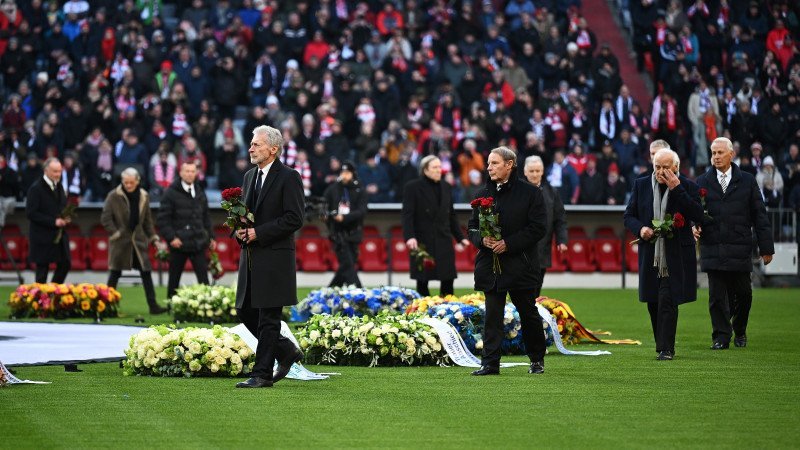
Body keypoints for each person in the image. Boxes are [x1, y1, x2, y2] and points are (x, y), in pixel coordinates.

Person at [234, 125, 304, 389]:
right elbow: (244, 215)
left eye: (256, 144)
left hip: (275, 258)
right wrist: (238, 230)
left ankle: (262, 374)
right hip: (251, 257)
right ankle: (285, 351)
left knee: (269, 317)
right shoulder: (249, 176)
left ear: (273, 149)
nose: (250, 148)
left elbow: (294, 218)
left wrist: (258, 232)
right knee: (244, 311)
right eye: (251, 144)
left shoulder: (289, 177)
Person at [468, 147, 547, 376]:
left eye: (494, 163)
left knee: (528, 313)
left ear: (509, 164)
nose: (489, 168)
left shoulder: (531, 193)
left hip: (520, 265)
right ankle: (490, 363)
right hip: (490, 265)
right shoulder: (482, 193)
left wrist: (509, 244)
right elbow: (471, 227)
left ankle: (536, 359)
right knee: (492, 315)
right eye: (488, 164)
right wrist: (482, 239)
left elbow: (538, 228)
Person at [694, 137, 774, 350]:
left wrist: (766, 248)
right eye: (713, 153)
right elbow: (694, 210)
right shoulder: (701, 181)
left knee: (745, 295)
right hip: (713, 245)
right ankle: (721, 336)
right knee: (716, 297)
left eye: (720, 153)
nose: (716, 157)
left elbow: (760, 215)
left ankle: (739, 329)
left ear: (731, 154)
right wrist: (694, 225)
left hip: (739, 246)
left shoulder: (747, 180)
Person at [624, 148, 704, 360]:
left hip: (675, 254)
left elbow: (697, 214)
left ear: (675, 168)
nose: (660, 171)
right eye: (657, 167)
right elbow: (629, 215)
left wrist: (677, 188)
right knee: (653, 301)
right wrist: (640, 229)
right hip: (650, 251)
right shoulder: (641, 185)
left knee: (668, 298)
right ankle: (662, 343)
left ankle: (666, 349)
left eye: (665, 167)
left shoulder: (688, 187)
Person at [101, 168, 168, 314]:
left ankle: (153, 306)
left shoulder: (144, 196)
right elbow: (105, 218)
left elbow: (148, 222)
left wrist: (154, 239)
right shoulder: (113, 196)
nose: (128, 185)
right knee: (115, 273)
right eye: (126, 182)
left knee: (146, 272)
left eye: (131, 182)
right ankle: (106, 306)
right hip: (120, 242)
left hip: (138, 242)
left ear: (137, 181)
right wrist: (116, 233)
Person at [402, 155, 470, 297]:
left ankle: (448, 310)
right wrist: (409, 237)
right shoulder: (412, 187)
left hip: (443, 239)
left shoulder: (446, 186)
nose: (439, 170)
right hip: (422, 241)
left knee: (447, 278)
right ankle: (422, 311)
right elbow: (407, 216)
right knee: (422, 280)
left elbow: (451, 215)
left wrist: (460, 238)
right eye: (435, 167)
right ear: (425, 170)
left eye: (440, 167)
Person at [157, 161, 216, 299]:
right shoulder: (170, 193)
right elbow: (162, 219)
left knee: (203, 278)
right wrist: (172, 238)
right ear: (181, 173)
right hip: (179, 243)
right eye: (187, 171)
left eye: (192, 171)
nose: (190, 174)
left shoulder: (200, 191)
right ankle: (172, 306)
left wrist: (211, 237)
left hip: (198, 242)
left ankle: (207, 305)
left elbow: (206, 217)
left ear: (196, 173)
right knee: (174, 278)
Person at [523, 155, 567, 298]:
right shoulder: (516, 191)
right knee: (522, 288)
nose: (535, 174)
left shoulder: (552, 192)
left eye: (537, 171)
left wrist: (562, 240)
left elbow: (560, 218)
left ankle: (532, 316)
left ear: (542, 172)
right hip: (520, 248)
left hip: (542, 248)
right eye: (532, 171)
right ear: (525, 172)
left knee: (537, 286)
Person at [323, 161, 367, 288]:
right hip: (338, 233)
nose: (344, 175)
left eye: (347, 172)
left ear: (353, 174)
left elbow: (361, 212)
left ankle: (330, 292)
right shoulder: (333, 189)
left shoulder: (360, 190)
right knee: (347, 264)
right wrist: (326, 215)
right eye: (342, 172)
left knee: (347, 265)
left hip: (354, 232)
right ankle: (359, 292)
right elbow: (324, 204)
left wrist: (344, 218)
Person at [26, 157, 71, 283]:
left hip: (59, 235)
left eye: (60, 171)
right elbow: (31, 213)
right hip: (42, 236)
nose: (58, 174)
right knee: (42, 271)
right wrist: (53, 222)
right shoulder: (36, 188)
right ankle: (41, 300)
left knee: (65, 264)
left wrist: (65, 217)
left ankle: (53, 293)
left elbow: (61, 206)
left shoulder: (60, 186)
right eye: (55, 171)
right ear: (46, 171)